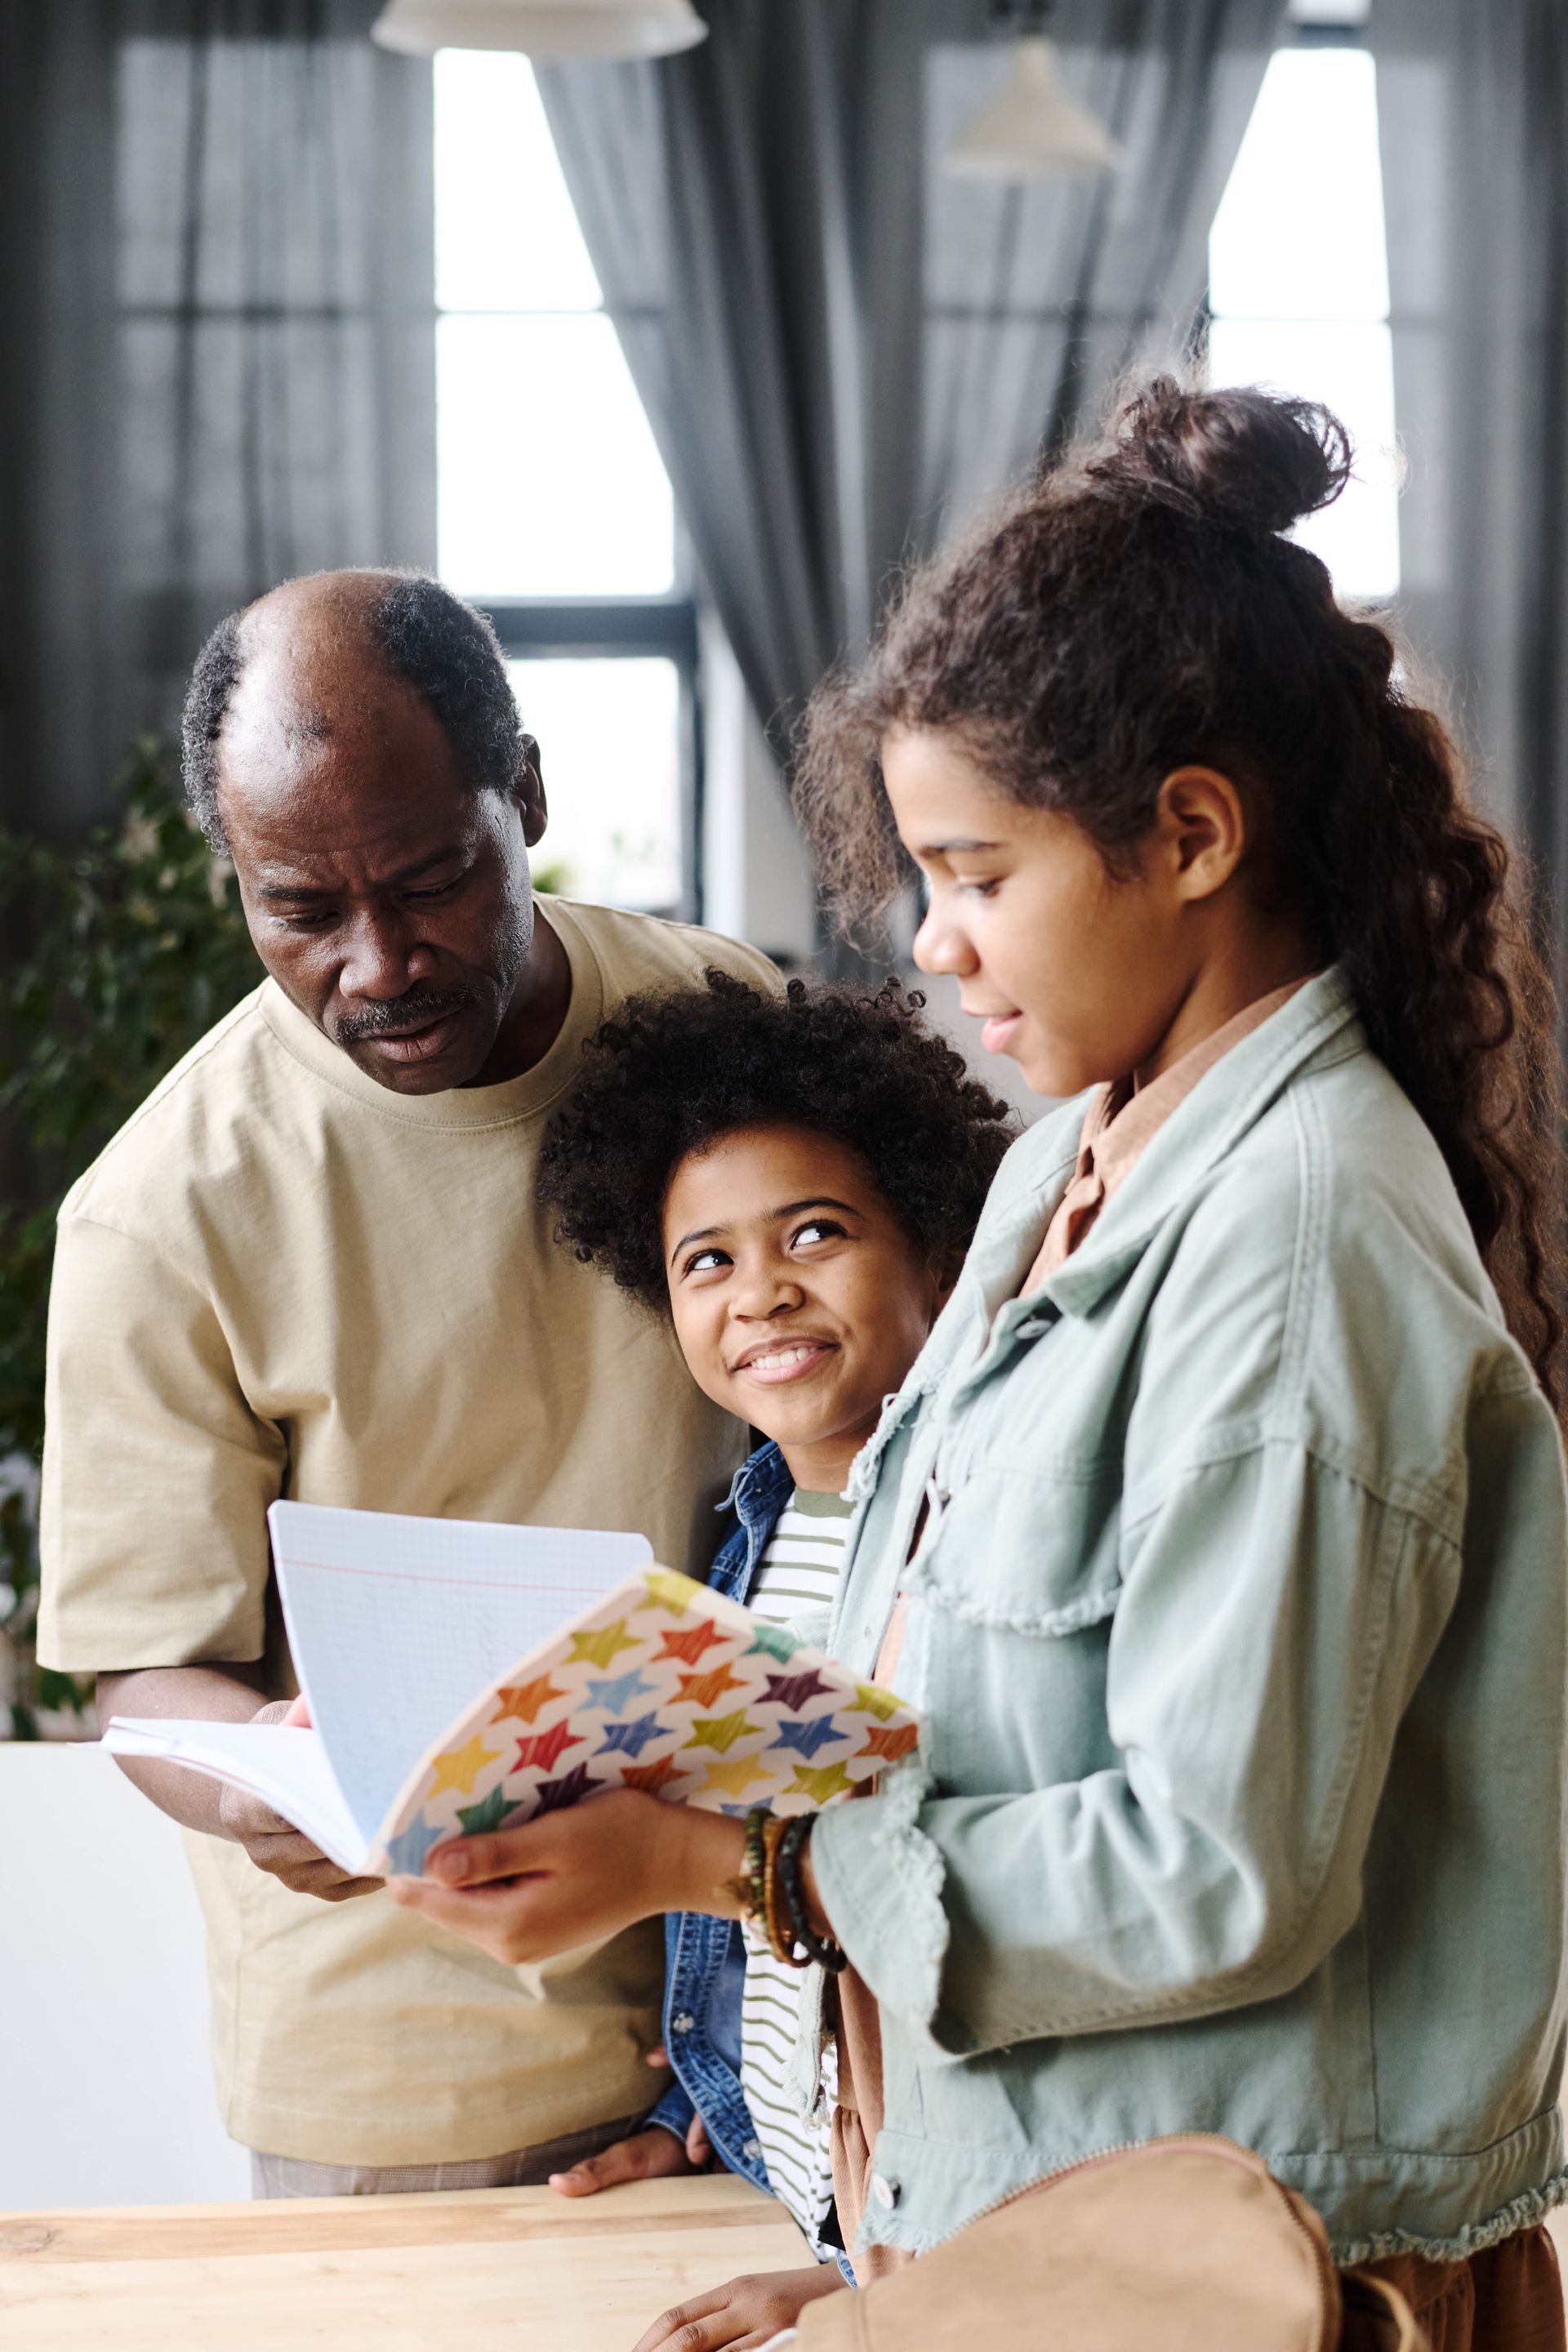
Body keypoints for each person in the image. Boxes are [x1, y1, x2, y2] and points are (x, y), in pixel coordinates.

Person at [383, 384, 1568, 2351]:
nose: (932, 946)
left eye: (978, 873)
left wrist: (718, 1857)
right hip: (1061, 2256)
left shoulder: (1289, 1246)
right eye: (918, 879)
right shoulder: (1057, 1179)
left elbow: (1211, 1868)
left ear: (1191, 832)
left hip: (1256, 2282)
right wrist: (889, 2266)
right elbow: (976, 1718)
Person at [37, 568, 777, 2198]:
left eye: (435, 879)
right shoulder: (163, 1212)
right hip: (419, 2077)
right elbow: (145, 1683)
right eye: (299, 905)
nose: (378, 963)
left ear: (523, 793)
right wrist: (257, 1780)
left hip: (766, 2000)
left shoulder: (729, 1029)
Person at [526, 969, 1013, 2345]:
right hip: (805, 2202)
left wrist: (857, 2282)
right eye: (708, 1261)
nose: (762, 1294)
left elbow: (967, 1912)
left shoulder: (973, 1542)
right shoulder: (738, 1552)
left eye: (815, 1232)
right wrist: (703, 2106)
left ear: (933, 1246)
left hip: (934, 2246)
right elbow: (768, 1889)